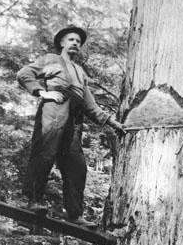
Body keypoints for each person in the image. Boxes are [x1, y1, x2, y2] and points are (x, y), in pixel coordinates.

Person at [17, 25, 126, 227]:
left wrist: (112, 122)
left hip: (74, 119)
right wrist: (43, 93)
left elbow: (89, 103)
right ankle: (33, 201)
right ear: (62, 43)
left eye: (78, 41)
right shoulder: (51, 59)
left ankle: (75, 214)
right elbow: (24, 74)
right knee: (44, 154)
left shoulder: (79, 71)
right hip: (54, 111)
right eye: (71, 40)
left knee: (77, 166)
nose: (75, 43)